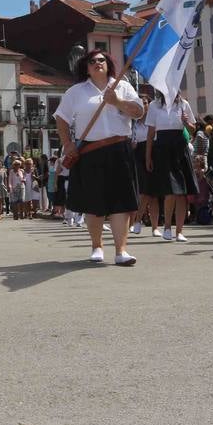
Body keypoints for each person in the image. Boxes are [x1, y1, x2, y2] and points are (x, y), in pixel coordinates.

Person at [54, 51, 144, 266]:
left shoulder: (122, 86)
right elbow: (61, 118)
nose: (97, 64)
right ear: (86, 67)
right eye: (92, 61)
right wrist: (67, 144)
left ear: (108, 65)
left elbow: (139, 112)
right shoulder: (76, 92)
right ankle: (97, 246)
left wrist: (117, 101)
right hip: (90, 151)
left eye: (101, 60)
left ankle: (121, 251)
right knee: (93, 203)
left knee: (120, 203)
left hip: (119, 148)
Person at [145, 89, 194, 242]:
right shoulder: (154, 105)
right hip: (162, 148)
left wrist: (186, 122)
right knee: (170, 190)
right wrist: (148, 156)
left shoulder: (184, 104)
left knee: (182, 192)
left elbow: (193, 129)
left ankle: (179, 231)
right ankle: (167, 227)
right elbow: (151, 133)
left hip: (180, 147)